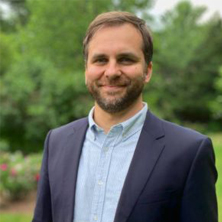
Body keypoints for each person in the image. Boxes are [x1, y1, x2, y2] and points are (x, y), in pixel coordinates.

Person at [32, 11, 217, 222]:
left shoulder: (189, 152)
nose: (111, 71)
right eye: (100, 60)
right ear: (86, 69)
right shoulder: (56, 142)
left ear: (147, 71)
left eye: (125, 59)